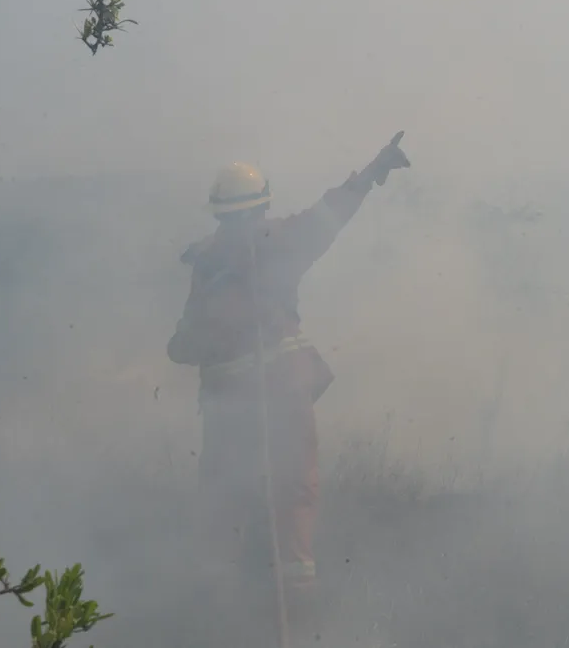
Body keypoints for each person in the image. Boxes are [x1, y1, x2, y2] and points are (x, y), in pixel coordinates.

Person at [167, 133, 411, 602]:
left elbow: (187, 342)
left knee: (229, 495)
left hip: (236, 405)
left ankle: (223, 598)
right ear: (262, 205)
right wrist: (371, 172)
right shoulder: (278, 243)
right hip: (279, 395)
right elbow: (330, 214)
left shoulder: (210, 260)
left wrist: (181, 344)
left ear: (220, 213)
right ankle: (289, 596)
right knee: (288, 492)